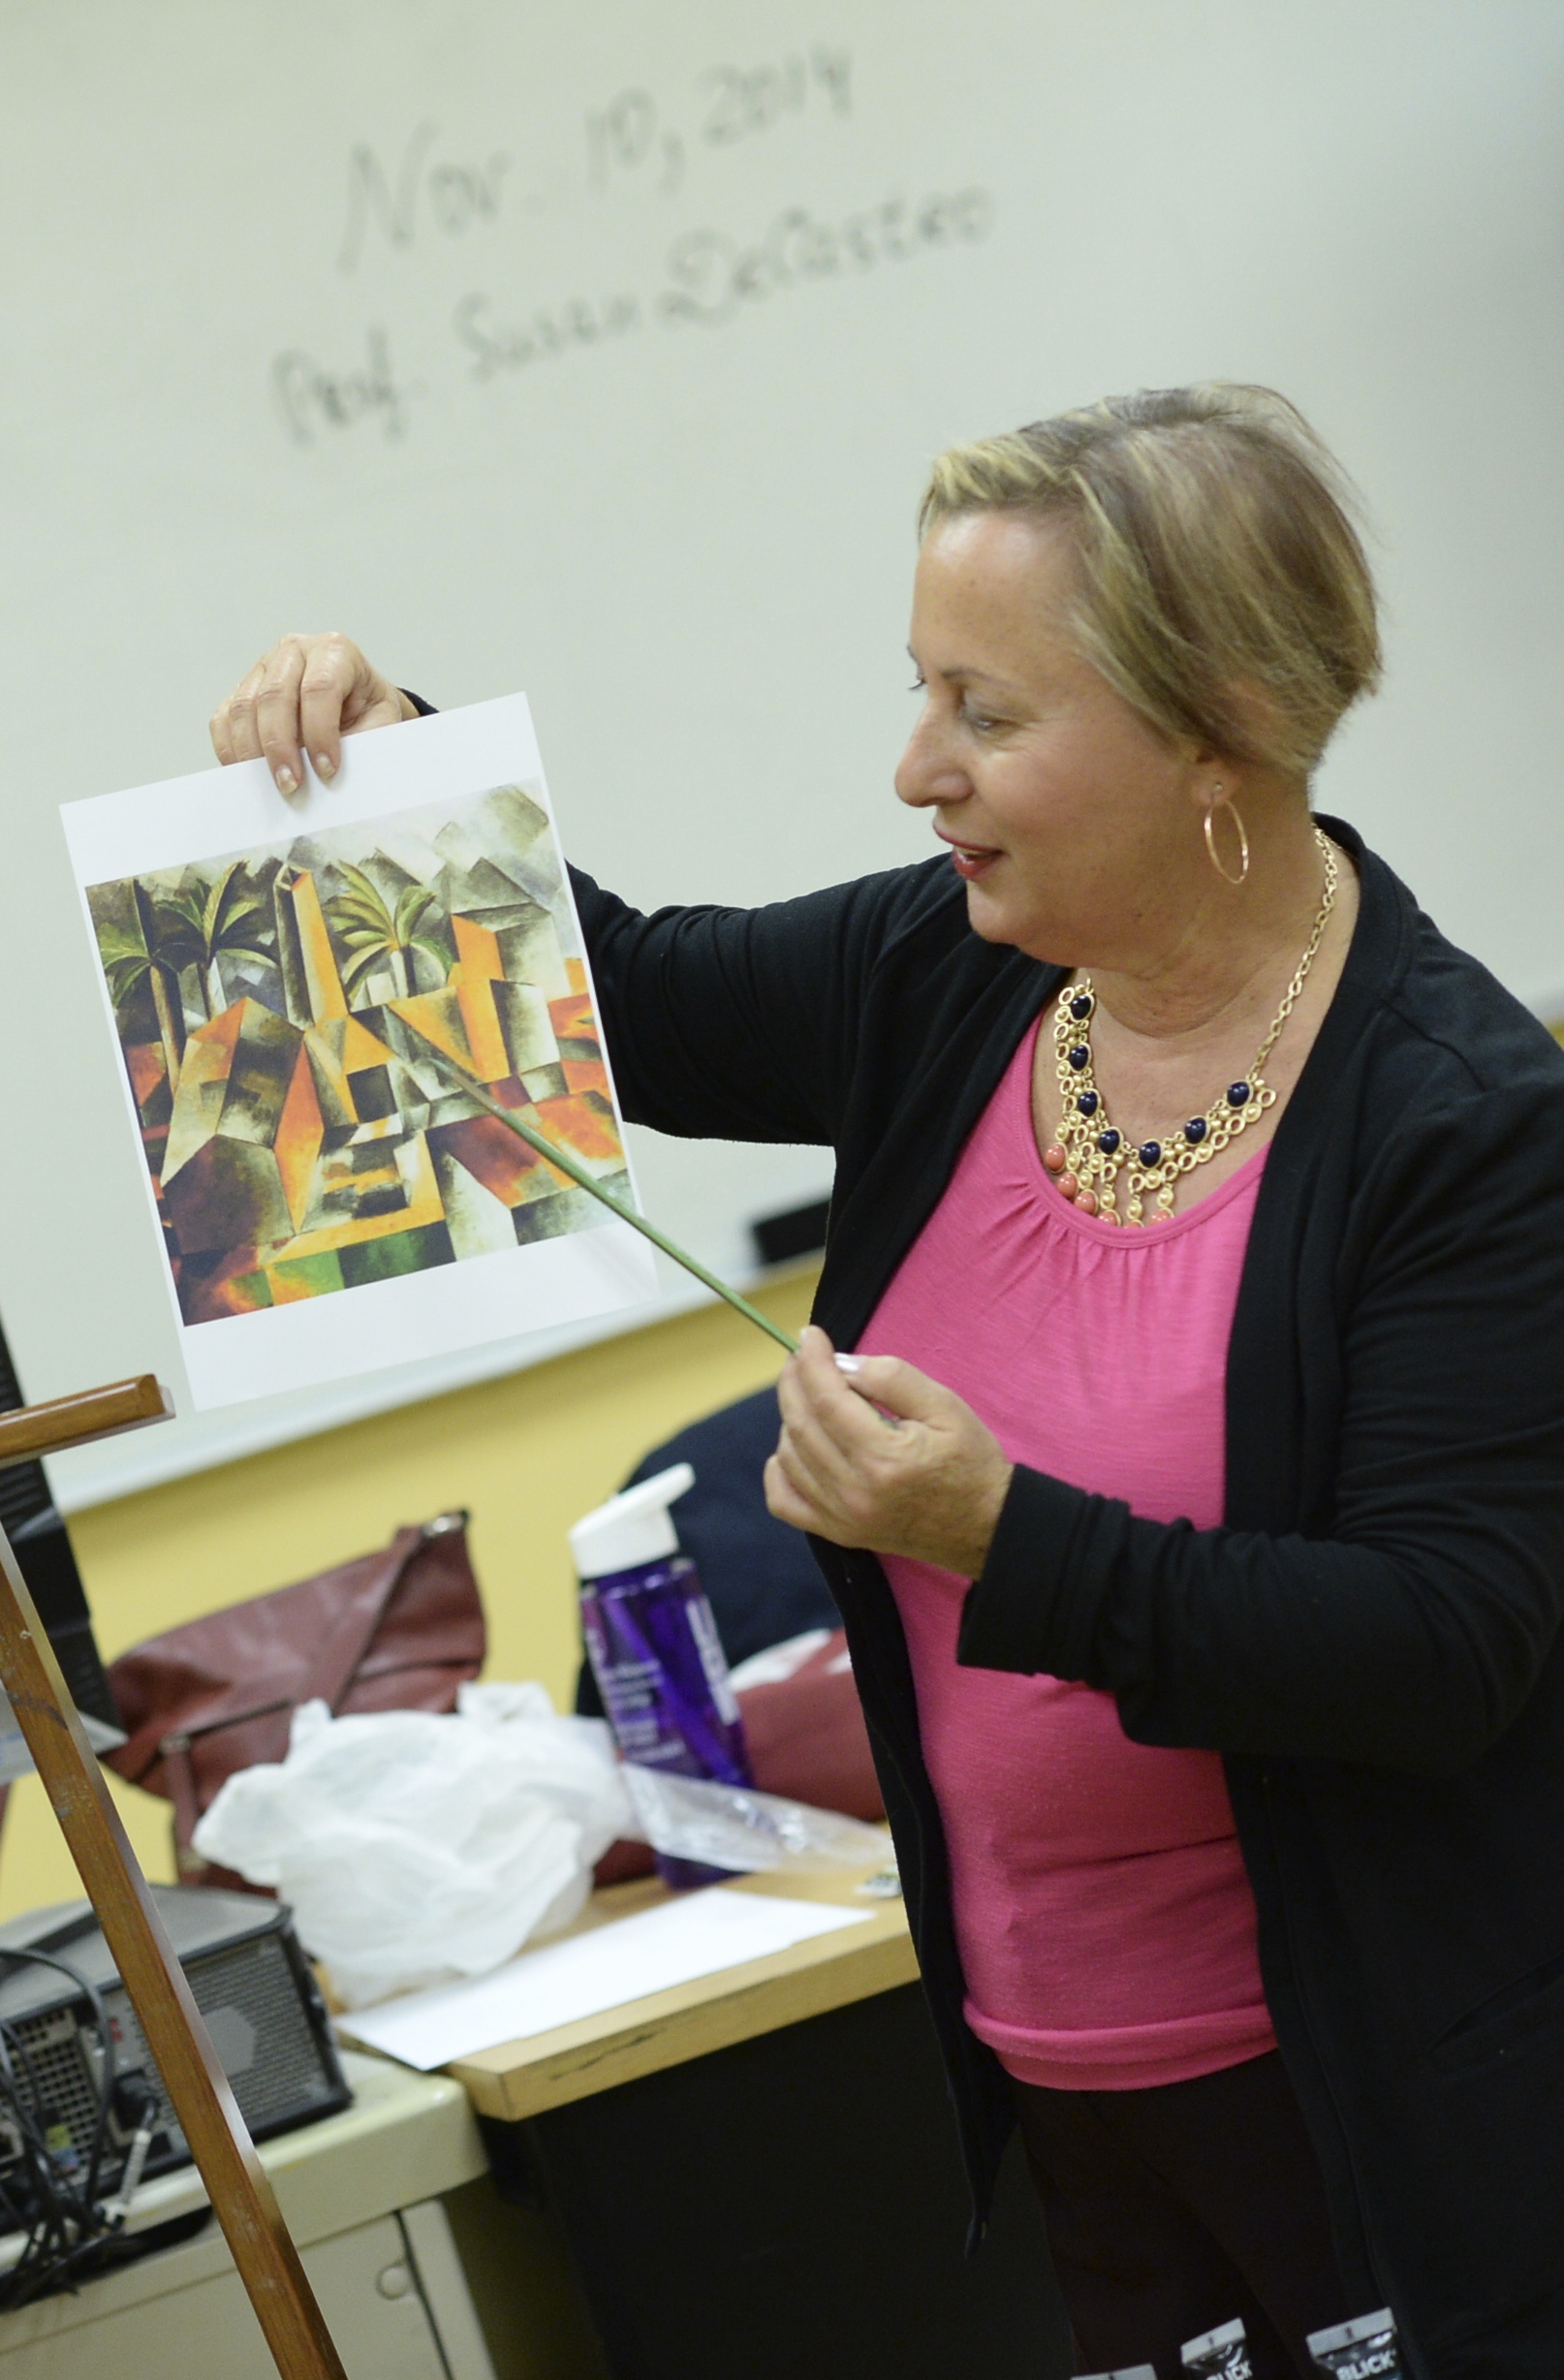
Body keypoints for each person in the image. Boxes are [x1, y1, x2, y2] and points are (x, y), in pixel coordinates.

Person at [209, 387, 1564, 2380]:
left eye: (987, 713)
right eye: (920, 691)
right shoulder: (949, 976)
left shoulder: (1462, 1126)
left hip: (1387, 2130)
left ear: (1221, 726)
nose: (916, 768)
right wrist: (388, 764)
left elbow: (1444, 1643)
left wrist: (998, 1539)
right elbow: (626, 1007)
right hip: (1072, 2108)